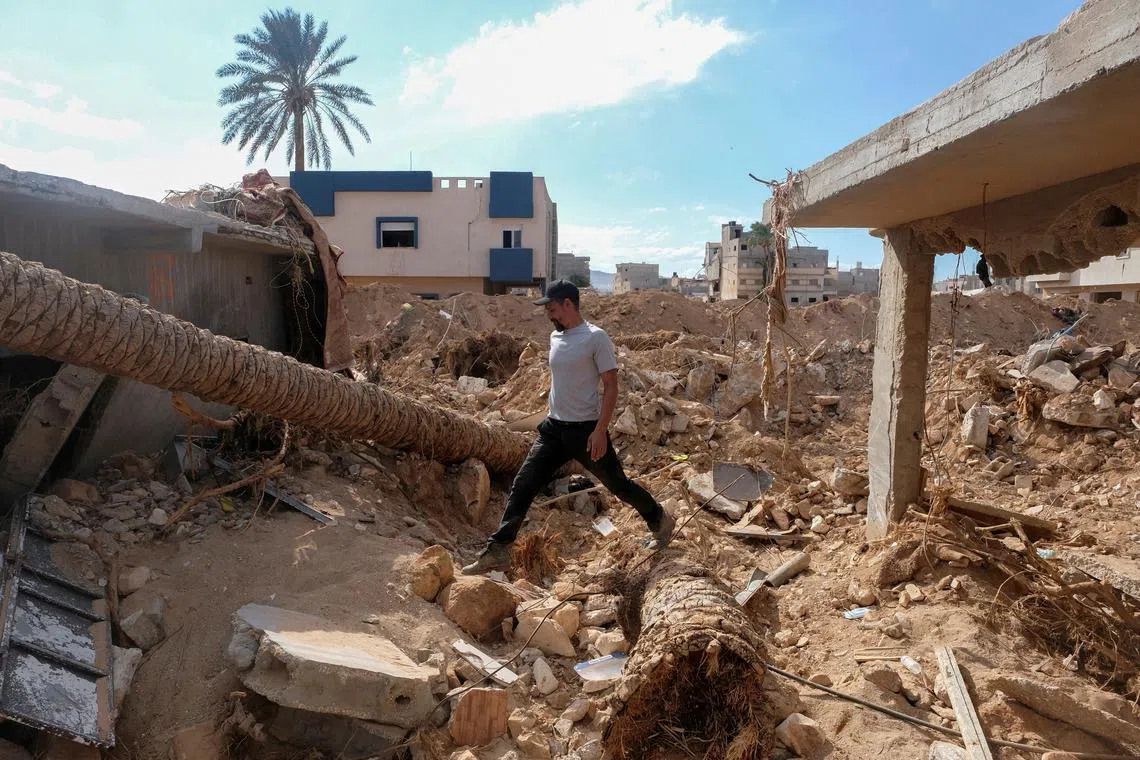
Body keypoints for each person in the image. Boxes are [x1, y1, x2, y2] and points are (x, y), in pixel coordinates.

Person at [462, 280, 676, 574]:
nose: (550, 315)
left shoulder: (595, 338)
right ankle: (498, 550)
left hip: (585, 432)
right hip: (553, 430)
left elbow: (611, 386)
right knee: (524, 484)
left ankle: (659, 520)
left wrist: (600, 430)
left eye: (552, 308)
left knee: (618, 485)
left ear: (568, 304)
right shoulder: (555, 337)